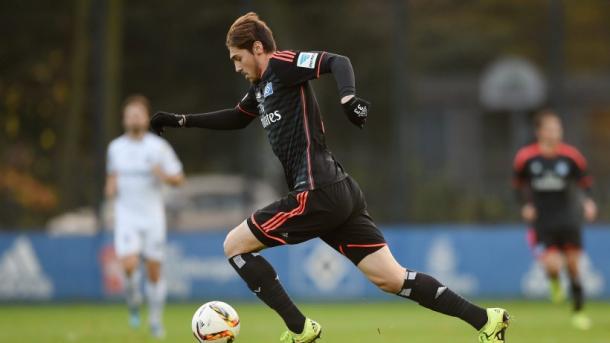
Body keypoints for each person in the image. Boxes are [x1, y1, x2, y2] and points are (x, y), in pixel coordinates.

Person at [151, 12, 509, 343]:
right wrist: (181, 120)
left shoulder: (281, 64)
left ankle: (299, 329)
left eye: (237, 58)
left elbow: (337, 61)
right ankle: (487, 321)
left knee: (234, 246)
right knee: (392, 278)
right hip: (338, 192)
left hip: (316, 191)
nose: (236, 67)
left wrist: (348, 97)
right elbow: (236, 117)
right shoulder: (261, 89)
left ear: (257, 48)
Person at [105, 94, 185, 338]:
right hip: (126, 216)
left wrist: (162, 175)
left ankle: (155, 321)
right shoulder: (115, 148)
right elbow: (111, 179)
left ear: (145, 117)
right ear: (123, 119)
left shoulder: (158, 147)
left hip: (152, 217)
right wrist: (109, 188)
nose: (134, 119)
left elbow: (179, 179)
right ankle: (133, 299)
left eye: (138, 114)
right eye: (129, 115)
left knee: (153, 271)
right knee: (129, 266)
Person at [513, 110, 596, 330]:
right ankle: (553, 280)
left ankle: (578, 312)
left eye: (557, 128)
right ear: (539, 132)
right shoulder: (526, 158)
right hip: (543, 221)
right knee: (552, 265)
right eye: (549, 128)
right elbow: (518, 186)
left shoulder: (571, 156)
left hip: (568, 217)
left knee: (573, 266)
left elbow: (585, 183)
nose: (554, 132)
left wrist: (588, 203)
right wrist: (526, 205)